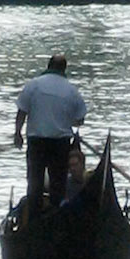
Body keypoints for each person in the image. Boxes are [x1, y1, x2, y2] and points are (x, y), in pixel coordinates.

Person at [13, 54, 88, 208]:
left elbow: (22, 112)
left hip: (36, 142)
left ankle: (34, 217)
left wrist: (17, 134)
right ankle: (56, 214)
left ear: (48, 66)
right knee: (58, 184)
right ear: (64, 69)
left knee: (35, 183)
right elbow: (80, 119)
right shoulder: (71, 90)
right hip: (60, 144)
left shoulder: (33, 85)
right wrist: (68, 119)